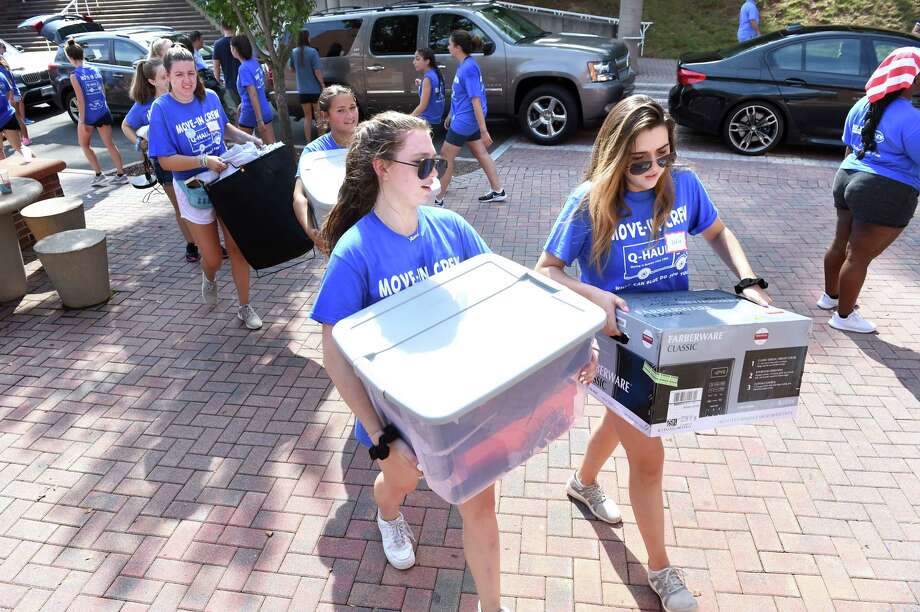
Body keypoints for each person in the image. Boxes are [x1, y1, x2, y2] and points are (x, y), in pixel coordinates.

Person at [313, 110, 567, 612]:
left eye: (436, 161)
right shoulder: (355, 252)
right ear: (383, 168)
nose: (436, 172)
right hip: (396, 419)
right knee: (400, 484)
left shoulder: (453, 228)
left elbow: (502, 300)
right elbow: (335, 355)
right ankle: (387, 514)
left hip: (462, 407)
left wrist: (565, 355)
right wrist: (380, 436)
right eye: (423, 163)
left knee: (481, 504)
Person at [535, 95, 772, 612]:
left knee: (625, 421)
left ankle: (582, 483)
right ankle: (662, 570)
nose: (653, 169)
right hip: (618, 345)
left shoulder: (683, 186)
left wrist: (748, 281)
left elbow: (718, 231)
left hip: (674, 338)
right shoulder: (590, 199)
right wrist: (595, 296)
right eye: (639, 161)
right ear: (615, 154)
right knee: (649, 452)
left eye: (663, 155)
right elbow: (546, 270)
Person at [147, 46, 265, 330]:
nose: (187, 80)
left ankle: (244, 306)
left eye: (191, 73)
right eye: (179, 75)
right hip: (193, 188)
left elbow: (225, 129)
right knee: (212, 258)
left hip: (225, 179)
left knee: (237, 249)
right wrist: (202, 160)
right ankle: (209, 277)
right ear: (168, 77)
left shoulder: (210, 97)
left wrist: (250, 139)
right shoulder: (161, 109)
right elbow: (164, 159)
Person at [820, 47, 920, 334]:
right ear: (911, 79)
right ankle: (844, 316)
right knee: (859, 256)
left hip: (847, 177)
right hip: (884, 189)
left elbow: (849, 146)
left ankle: (830, 297)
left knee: (841, 245)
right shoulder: (911, 118)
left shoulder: (862, 104)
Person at [122, 58, 200, 263]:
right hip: (164, 163)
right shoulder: (144, 106)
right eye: (163, 77)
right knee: (180, 206)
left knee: (200, 202)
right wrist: (140, 143)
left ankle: (208, 241)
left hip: (188, 157)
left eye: (168, 75)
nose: (168, 79)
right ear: (151, 81)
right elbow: (126, 126)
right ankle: (192, 244)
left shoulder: (180, 97)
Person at [437, 30, 505, 207]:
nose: (448, 46)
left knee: (445, 155)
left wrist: (483, 130)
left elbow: (475, 99)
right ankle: (498, 191)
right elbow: (462, 95)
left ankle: (437, 199)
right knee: (480, 152)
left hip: (467, 121)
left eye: (450, 44)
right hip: (465, 117)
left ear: (458, 47)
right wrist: (452, 113)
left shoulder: (468, 68)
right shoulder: (465, 64)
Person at [292, 85, 359, 248]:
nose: (350, 115)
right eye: (341, 110)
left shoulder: (371, 141)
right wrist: (312, 232)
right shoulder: (314, 152)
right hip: (337, 233)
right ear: (325, 115)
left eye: (352, 107)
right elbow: (299, 197)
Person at [65, 38, 127, 187]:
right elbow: (102, 92)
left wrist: (82, 120)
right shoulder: (95, 69)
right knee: (110, 144)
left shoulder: (74, 75)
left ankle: (99, 175)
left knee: (85, 145)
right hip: (103, 111)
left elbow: (80, 100)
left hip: (89, 115)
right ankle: (121, 174)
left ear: (70, 57)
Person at [230, 35, 275, 145]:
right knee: (271, 147)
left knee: (243, 151)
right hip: (264, 109)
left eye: (231, 48)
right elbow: (261, 86)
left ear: (235, 49)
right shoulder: (254, 62)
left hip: (251, 112)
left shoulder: (243, 68)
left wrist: (259, 120)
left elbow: (253, 94)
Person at [290, 30, 325, 142]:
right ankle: (321, 140)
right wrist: (322, 83)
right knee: (318, 116)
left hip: (302, 91)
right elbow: (317, 71)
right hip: (314, 90)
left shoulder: (294, 52)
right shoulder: (313, 52)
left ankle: (308, 142)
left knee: (307, 117)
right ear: (307, 38)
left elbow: (291, 69)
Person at [0, 42, 31, 145]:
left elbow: (8, 83)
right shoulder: (4, 63)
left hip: (12, 94)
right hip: (15, 92)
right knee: (17, 117)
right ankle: (22, 138)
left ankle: (24, 138)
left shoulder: (2, 67)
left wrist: (11, 96)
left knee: (17, 117)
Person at [410, 47, 445, 129]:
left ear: (427, 61)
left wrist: (409, 118)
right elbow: (434, 92)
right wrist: (421, 85)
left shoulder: (428, 78)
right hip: (436, 119)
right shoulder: (436, 73)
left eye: (417, 59)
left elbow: (423, 106)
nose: (414, 62)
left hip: (427, 121)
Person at [212, 22, 241, 112]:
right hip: (245, 79)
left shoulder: (218, 44)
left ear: (222, 27)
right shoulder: (241, 41)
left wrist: (217, 84)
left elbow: (216, 67)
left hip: (230, 82)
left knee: (236, 111)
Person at [0, 70, 27, 160]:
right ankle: (39, 167)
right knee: (20, 147)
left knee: (0, 151)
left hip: (6, 116)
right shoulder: (1, 75)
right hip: (7, 115)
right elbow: (8, 93)